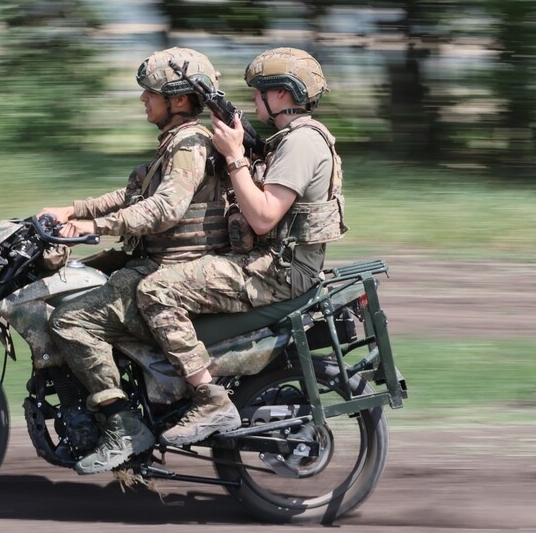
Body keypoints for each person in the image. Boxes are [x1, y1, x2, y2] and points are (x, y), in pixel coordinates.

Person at [136, 47, 347, 446]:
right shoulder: (290, 139)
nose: (254, 99)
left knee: (156, 290)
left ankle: (209, 400)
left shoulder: (302, 144)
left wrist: (235, 158)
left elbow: (264, 217)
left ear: (282, 94)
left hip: (278, 273)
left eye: (260, 92)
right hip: (272, 262)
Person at [37, 47, 232, 475]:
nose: (144, 99)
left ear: (179, 100)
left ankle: (124, 426)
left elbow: (165, 209)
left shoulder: (189, 144)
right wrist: (74, 210)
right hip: (156, 264)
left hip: (170, 273)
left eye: (151, 93)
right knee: (81, 278)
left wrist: (94, 228)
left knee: (71, 320)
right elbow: (132, 196)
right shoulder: (176, 144)